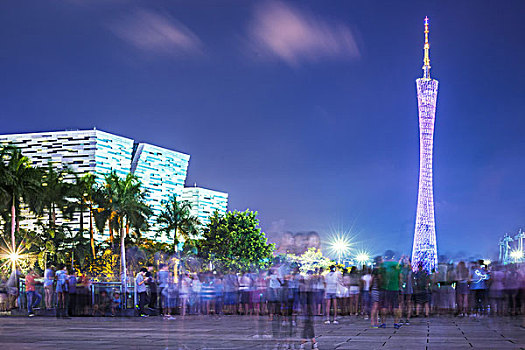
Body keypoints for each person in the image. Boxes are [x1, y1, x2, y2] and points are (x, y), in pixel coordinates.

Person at [379, 251, 402, 329]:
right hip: (395, 288)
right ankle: (396, 323)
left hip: (384, 288)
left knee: (384, 306)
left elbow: (380, 277)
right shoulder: (397, 265)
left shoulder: (382, 265)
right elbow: (400, 277)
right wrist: (400, 286)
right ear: (393, 256)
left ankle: (383, 323)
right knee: (396, 306)